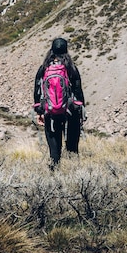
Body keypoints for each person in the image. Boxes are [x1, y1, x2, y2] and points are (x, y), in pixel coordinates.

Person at [33, 37, 85, 167]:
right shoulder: (70, 68)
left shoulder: (44, 68)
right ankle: (74, 177)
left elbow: (37, 92)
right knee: (72, 149)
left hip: (50, 113)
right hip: (71, 111)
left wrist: (39, 111)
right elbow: (78, 91)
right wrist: (81, 110)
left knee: (54, 153)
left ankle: (54, 176)